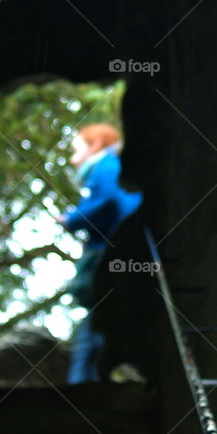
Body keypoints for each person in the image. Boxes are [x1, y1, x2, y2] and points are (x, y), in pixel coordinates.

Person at [58, 123, 142, 383]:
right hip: (121, 254)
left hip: (112, 255)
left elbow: (108, 202)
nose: (72, 159)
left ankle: (81, 389)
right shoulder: (112, 166)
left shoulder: (105, 166)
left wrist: (71, 219)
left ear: (94, 145)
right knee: (100, 326)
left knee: (95, 329)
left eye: (75, 150)